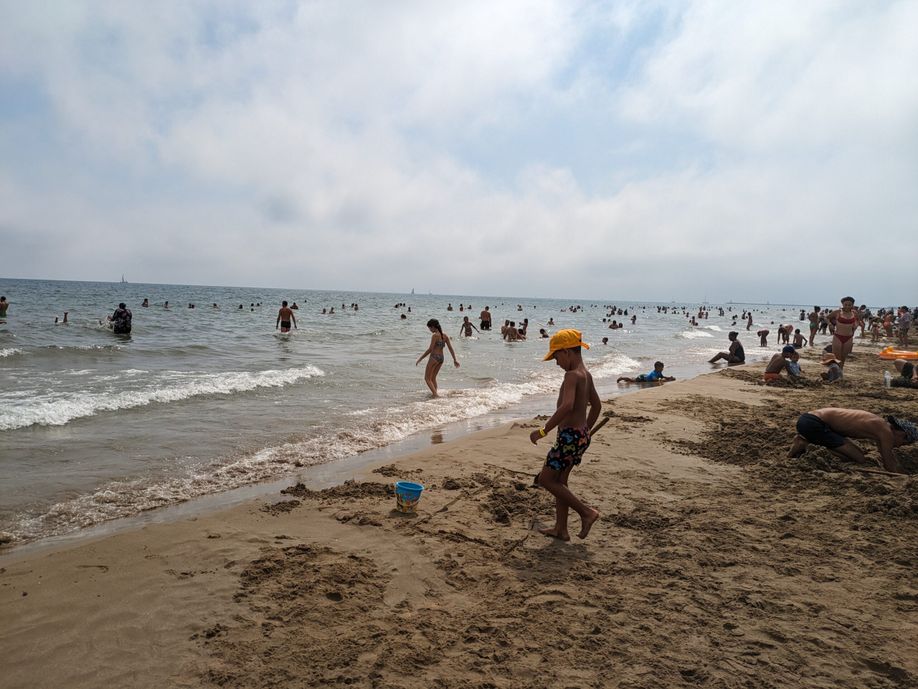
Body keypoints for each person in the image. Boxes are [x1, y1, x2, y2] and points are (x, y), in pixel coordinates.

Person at [529, 330, 601, 540]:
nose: (556, 363)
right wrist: (585, 431)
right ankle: (561, 529)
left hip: (569, 438)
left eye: (556, 357)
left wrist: (543, 431)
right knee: (560, 481)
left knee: (546, 479)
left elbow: (567, 406)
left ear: (567, 352)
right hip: (579, 436)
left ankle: (586, 513)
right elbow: (597, 406)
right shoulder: (586, 375)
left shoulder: (571, 375)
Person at [788, 408, 917, 473]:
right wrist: (904, 476)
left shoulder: (881, 428)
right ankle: (804, 444)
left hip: (811, 421)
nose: (900, 446)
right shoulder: (886, 432)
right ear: (902, 434)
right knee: (859, 458)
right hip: (813, 424)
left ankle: (805, 443)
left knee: (856, 454)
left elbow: (886, 456)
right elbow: (889, 462)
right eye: (904, 442)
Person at [416, 318, 459, 397]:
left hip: (434, 357)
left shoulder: (435, 336)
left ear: (433, 327)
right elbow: (450, 348)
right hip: (441, 358)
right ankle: (435, 393)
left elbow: (430, 349)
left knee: (427, 378)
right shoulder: (445, 336)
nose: (429, 330)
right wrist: (454, 359)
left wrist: (420, 358)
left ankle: (435, 395)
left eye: (429, 328)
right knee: (433, 378)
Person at [828, 296, 860, 367]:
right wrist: (830, 324)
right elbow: (827, 317)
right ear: (842, 304)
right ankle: (837, 370)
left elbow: (858, 319)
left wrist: (856, 325)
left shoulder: (854, 313)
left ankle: (840, 370)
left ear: (852, 305)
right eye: (845, 304)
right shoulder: (837, 312)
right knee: (837, 357)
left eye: (849, 305)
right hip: (838, 336)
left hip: (849, 338)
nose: (847, 306)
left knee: (843, 357)